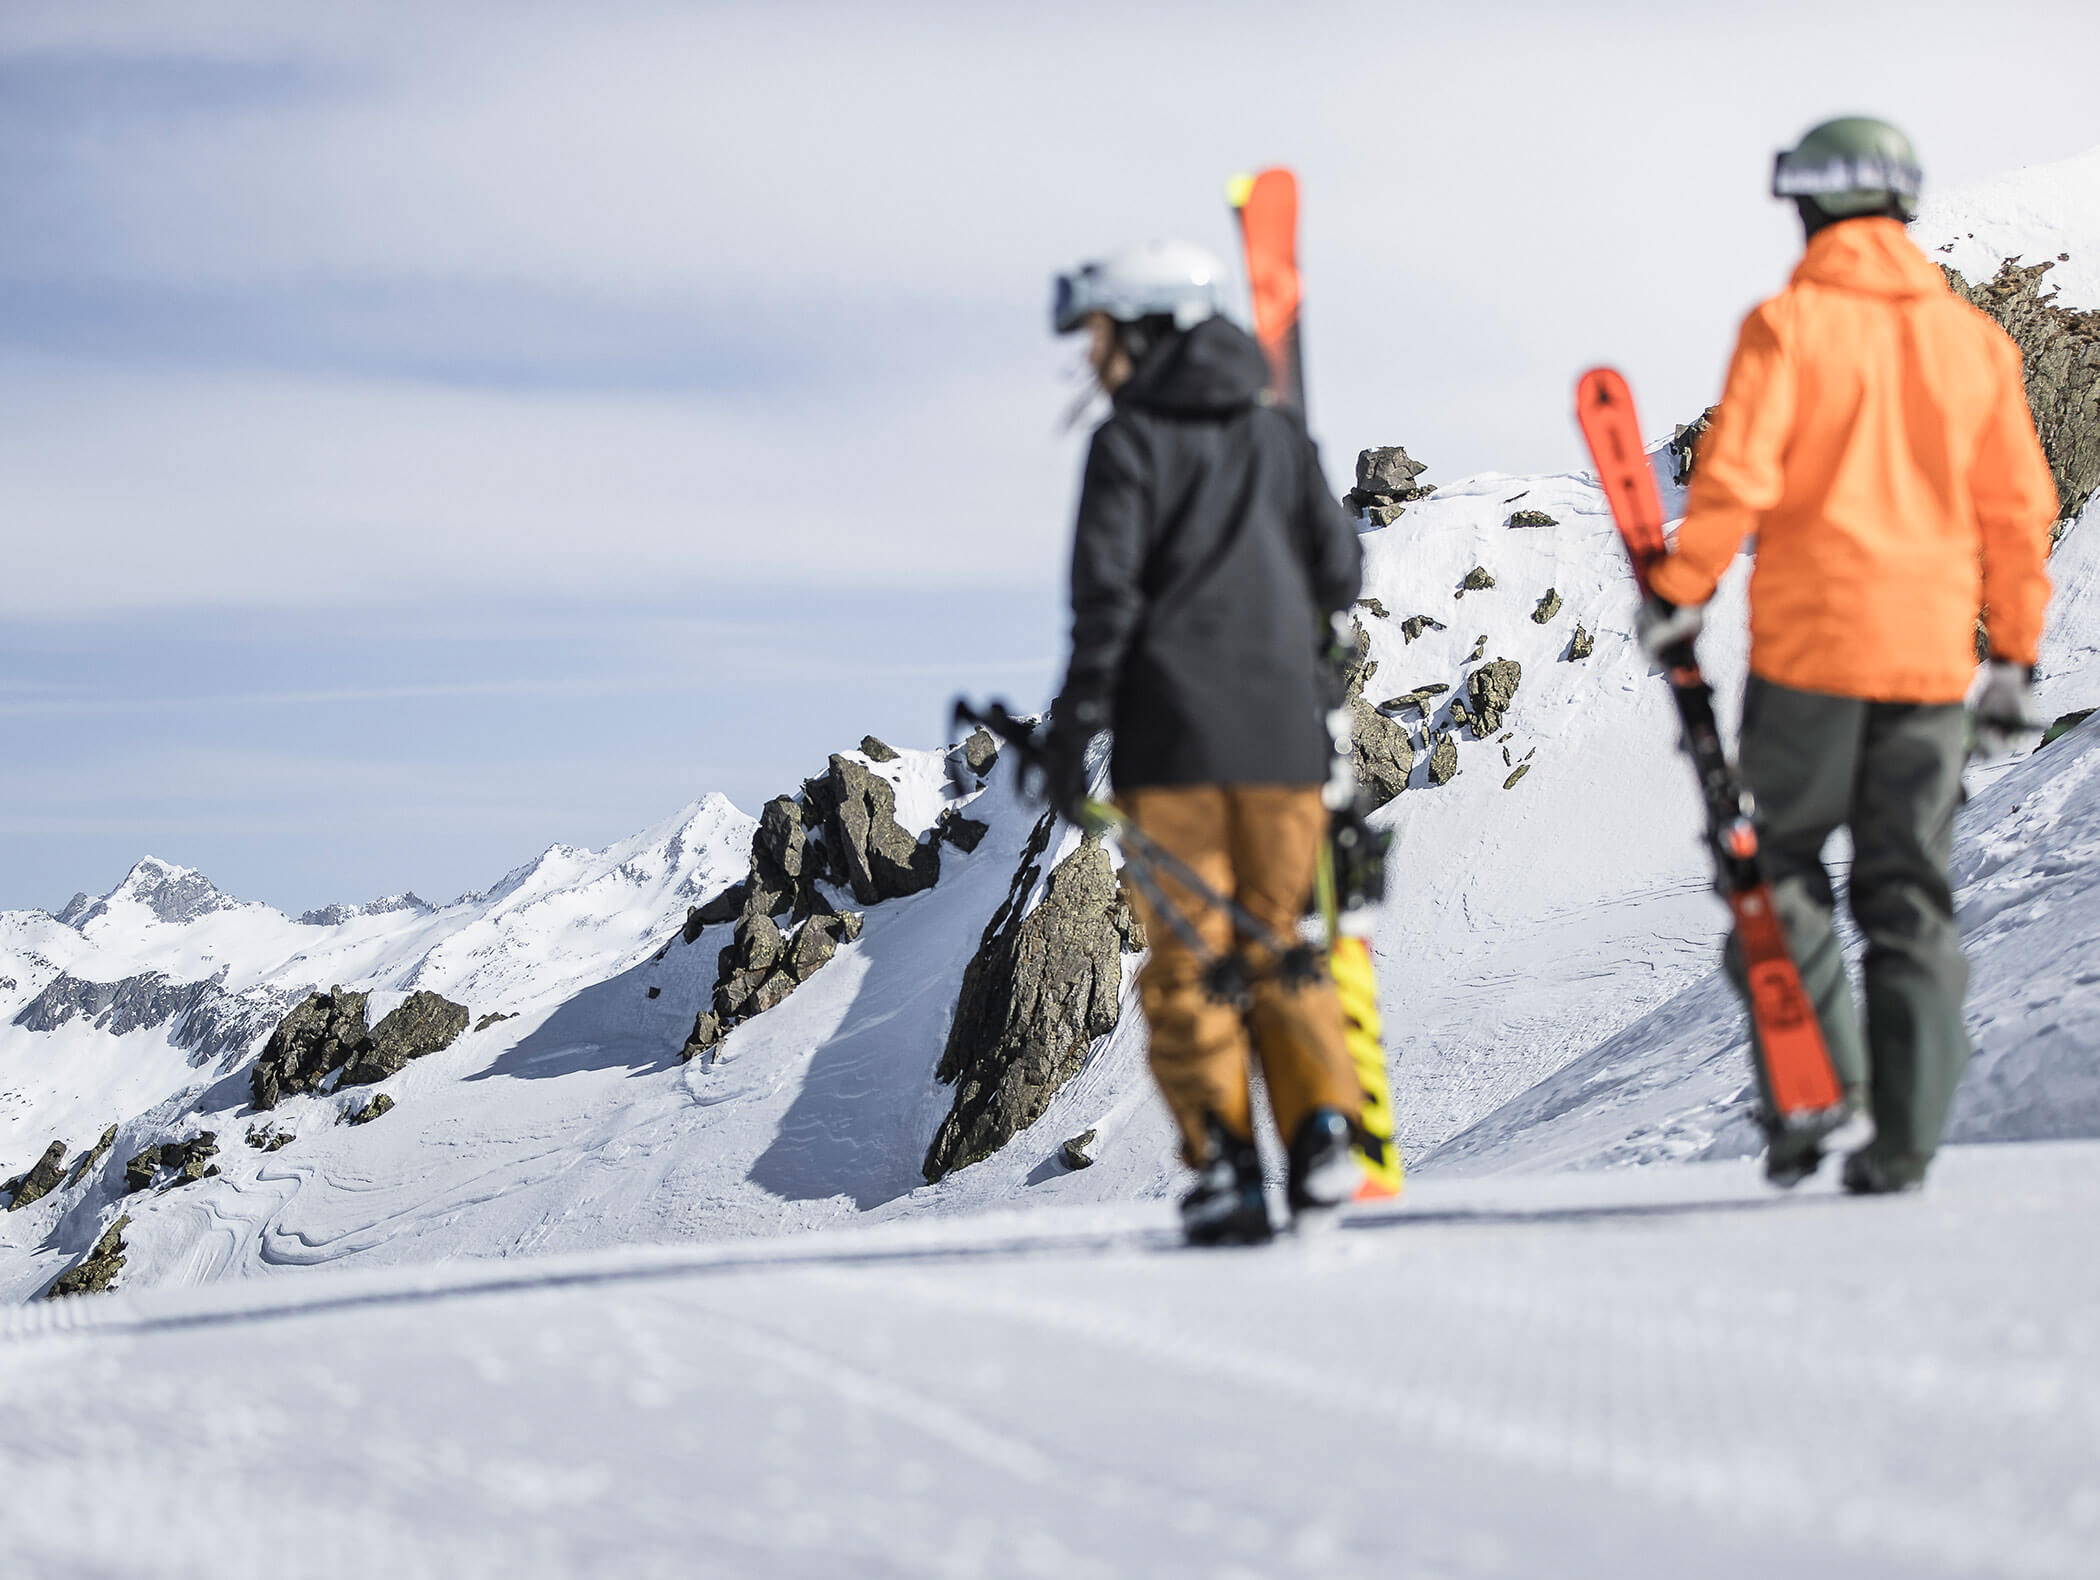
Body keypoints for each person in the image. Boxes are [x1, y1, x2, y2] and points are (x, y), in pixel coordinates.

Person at [1639, 117, 2057, 1193]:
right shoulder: (1976, 345)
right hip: (1927, 670)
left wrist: (1679, 594)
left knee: (1775, 870)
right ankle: (1907, 1140)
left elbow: (1730, 487)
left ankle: (1817, 1082)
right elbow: (2018, 512)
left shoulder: (1789, 325)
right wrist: (2011, 653)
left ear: (1813, 204)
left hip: (1810, 662)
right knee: (1909, 896)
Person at [1042, 240, 1367, 1243]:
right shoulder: (1277, 435)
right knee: (1279, 939)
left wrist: (1074, 729)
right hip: (1283, 746)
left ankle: (1228, 1163)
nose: (1090, 359)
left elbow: (1107, 601)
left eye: (1099, 335)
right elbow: (1342, 572)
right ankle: (1320, 1135)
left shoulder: (1129, 442)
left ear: (1148, 328)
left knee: (1190, 957)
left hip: (1173, 744)